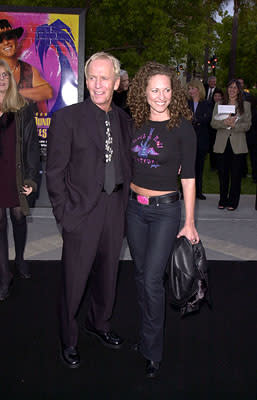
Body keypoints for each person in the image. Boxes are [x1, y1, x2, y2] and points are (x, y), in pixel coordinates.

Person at [46, 52, 132, 369]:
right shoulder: (67, 118)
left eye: (104, 78)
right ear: (85, 80)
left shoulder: (124, 120)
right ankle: (68, 339)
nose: (97, 84)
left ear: (116, 82)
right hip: (80, 213)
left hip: (115, 208)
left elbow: (131, 163)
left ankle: (99, 324)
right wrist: (65, 216)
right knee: (74, 279)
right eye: (92, 77)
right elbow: (54, 173)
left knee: (108, 276)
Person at [126, 62, 199, 378]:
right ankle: (145, 337)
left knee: (154, 279)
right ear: (144, 91)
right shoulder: (135, 123)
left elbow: (190, 178)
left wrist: (190, 221)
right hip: (134, 210)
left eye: (167, 89)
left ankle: (153, 349)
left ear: (175, 92)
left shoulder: (183, 128)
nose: (161, 96)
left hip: (165, 212)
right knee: (141, 276)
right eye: (154, 89)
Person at [0, 58, 40, 301]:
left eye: (5, 75)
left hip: (15, 172)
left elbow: (33, 147)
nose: (2, 79)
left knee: (17, 216)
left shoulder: (23, 109)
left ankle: (21, 258)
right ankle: (4, 277)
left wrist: (31, 179)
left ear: (11, 80)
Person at [211, 79, 252, 210]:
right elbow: (213, 123)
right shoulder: (219, 104)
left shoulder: (245, 105)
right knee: (223, 174)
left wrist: (235, 125)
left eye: (235, 88)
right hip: (222, 143)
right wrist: (224, 123)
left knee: (236, 175)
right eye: (230, 87)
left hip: (238, 144)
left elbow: (248, 125)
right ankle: (222, 200)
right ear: (226, 89)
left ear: (239, 90)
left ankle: (233, 201)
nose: (232, 90)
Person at [0, 19, 53, 112]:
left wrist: (16, 93)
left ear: (16, 40)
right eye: (0, 40)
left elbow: (48, 92)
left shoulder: (27, 69)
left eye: (9, 37)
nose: (6, 42)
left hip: (22, 124)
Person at [187, 79, 212, 199]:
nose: (190, 91)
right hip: (188, 140)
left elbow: (207, 119)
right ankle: (186, 192)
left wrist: (195, 120)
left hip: (201, 141)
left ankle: (198, 192)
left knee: (199, 168)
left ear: (198, 89)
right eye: (189, 89)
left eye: (192, 88)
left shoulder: (207, 103)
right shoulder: (186, 103)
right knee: (188, 168)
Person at [209, 88, 224, 170]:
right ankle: (213, 165)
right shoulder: (209, 105)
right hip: (211, 130)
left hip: (220, 129)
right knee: (212, 149)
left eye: (219, 96)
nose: (217, 97)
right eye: (215, 96)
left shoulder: (223, 106)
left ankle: (219, 165)